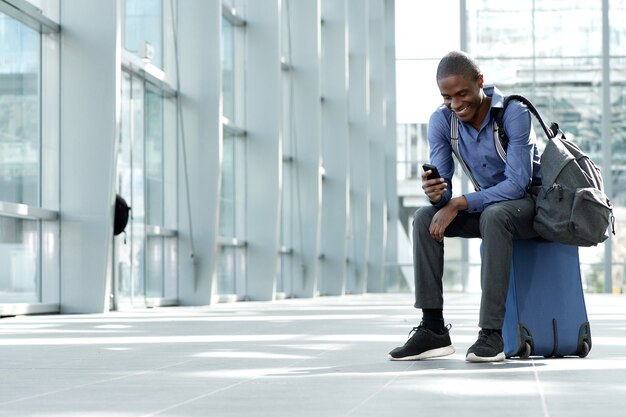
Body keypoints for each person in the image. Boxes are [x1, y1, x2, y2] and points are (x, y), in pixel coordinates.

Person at [389, 51, 542, 362]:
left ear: (480, 83)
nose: (456, 104)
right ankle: (433, 330)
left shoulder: (513, 113)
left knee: (496, 215)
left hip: (528, 208)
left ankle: (491, 335)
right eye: (447, 97)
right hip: (487, 210)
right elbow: (443, 192)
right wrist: (437, 196)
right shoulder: (442, 122)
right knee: (423, 218)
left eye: (461, 94)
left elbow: (517, 184)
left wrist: (458, 203)